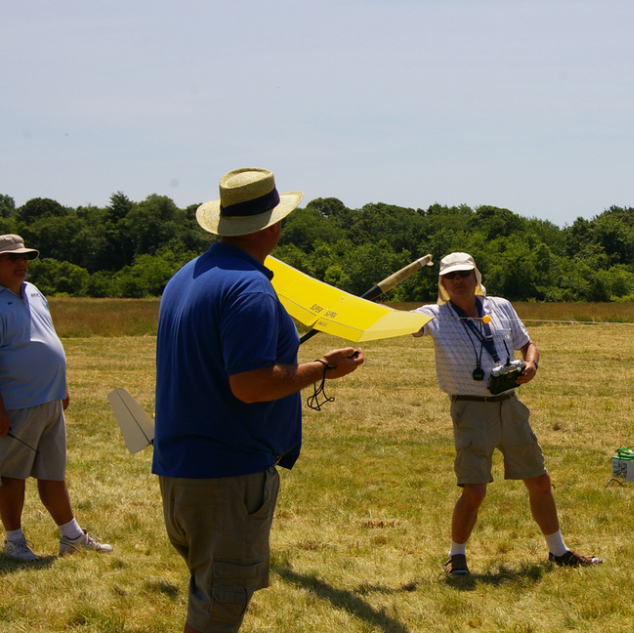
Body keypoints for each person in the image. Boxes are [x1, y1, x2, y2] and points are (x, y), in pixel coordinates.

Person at [153, 168, 364, 633]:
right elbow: (249, 385)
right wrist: (324, 369)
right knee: (218, 610)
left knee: (208, 596)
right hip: (224, 477)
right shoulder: (248, 287)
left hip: (181, 470)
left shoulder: (185, 277)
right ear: (272, 226)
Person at [413, 252, 601, 575]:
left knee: (539, 480)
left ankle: (559, 551)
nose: (458, 281)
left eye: (464, 274)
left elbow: (528, 344)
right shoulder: (433, 315)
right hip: (470, 410)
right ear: (442, 283)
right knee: (474, 489)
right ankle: (456, 555)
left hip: (510, 406)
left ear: (476, 277)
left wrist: (532, 364)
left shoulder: (500, 306)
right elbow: (401, 325)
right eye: (451, 277)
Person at [0, 234, 112, 561]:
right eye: (11, 258)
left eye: (25, 258)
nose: (21, 263)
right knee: (11, 475)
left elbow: (49, 338)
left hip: (50, 400)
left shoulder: (34, 292)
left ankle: (72, 536)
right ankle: (14, 541)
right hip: (17, 403)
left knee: (53, 471)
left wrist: (61, 385)